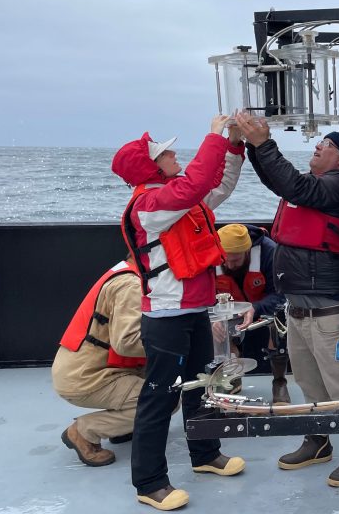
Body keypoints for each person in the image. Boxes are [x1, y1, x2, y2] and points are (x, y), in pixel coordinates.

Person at [111, 116, 247, 511]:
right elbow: (198, 184)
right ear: (151, 167)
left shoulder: (180, 199)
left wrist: (234, 147)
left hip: (196, 309)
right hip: (167, 316)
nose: (173, 155)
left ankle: (205, 455)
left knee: (204, 384)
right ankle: (149, 482)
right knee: (158, 397)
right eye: (165, 153)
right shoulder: (150, 205)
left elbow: (217, 184)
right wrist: (214, 136)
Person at [236, 111, 339, 487]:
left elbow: (295, 187)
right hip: (297, 309)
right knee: (309, 383)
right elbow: (280, 182)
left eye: (325, 145)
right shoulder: (316, 184)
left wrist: (265, 143)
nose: (317, 146)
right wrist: (252, 145)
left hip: (331, 314)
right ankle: (318, 440)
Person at [53, 257, 145, 467]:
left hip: (81, 368)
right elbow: (127, 343)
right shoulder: (131, 285)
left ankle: (122, 427)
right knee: (165, 398)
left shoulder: (125, 272)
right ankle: (84, 431)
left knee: (156, 381)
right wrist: (177, 342)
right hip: (86, 378)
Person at [215, 223, 289, 403]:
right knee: (217, 331)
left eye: (236, 260)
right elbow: (203, 294)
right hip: (229, 308)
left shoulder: (270, 252)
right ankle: (232, 377)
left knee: (278, 326)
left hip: (265, 306)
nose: (230, 266)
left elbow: (281, 295)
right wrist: (214, 319)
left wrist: (255, 308)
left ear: (247, 251)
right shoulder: (211, 256)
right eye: (226, 260)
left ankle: (279, 382)